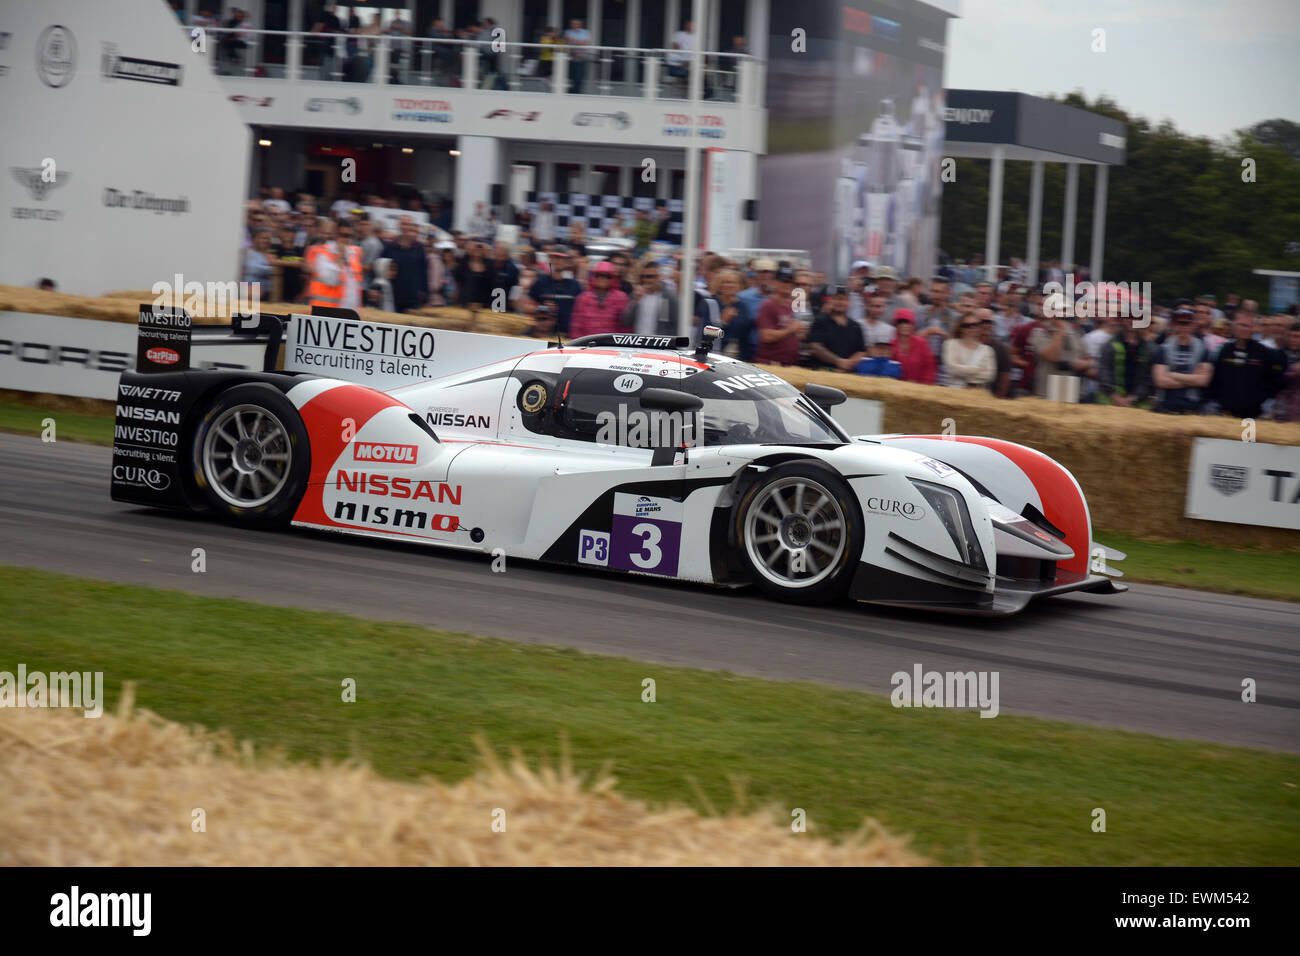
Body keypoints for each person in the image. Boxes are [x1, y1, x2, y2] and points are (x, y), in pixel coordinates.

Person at [1210, 309, 1287, 418]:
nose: (1245, 329)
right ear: (1233, 326)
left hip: (1252, 415)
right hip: (1225, 414)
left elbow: (1275, 381)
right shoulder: (1224, 350)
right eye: (1242, 325)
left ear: (1253, 328)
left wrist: (1260, 399)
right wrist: (1218, 400)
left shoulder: (1263, 352)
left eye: (1248, 326)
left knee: (1247, 436)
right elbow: (1215, 379)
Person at [1152, 307, 1213, 413]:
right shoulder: (1163, 348)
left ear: (1193, 325)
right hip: (1166, 405)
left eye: (1187, 323)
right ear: (1174, 324)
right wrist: (1192, 379)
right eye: (1180, 323)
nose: (1183, 327)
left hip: (1192, 407)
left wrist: (1172, 375)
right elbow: (1160, 381)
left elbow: (1204, 380)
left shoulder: (1202, 348)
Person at [1096, 315, 1155, 408]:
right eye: (1129, 317)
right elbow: (1104, 373)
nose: (1133, 321)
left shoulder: (1149, 348)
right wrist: (1116, 398)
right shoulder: (1109, 345)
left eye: (1138, 318)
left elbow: (1148, 379)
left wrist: (1132, 399)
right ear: (1122, 319)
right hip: (1110, 402)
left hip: (1137, 403)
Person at [1029, 313, 1090, 398]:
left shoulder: (1076, 330)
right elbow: (1051, 356)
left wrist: (1084, 364)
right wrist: (1060, 330)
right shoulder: (1041, 330)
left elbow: (1087, 358)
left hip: (1072, 387)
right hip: (1048, 388)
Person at [807, 286, 867, 372]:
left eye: (844, 299)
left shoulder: (855, 326)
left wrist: (849, 363)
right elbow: (815, 347)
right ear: (830, 300)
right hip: (822, 372)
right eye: (837, 299)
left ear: (849, 302)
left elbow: (861, 351)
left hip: (847, 375)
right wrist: (838, 361)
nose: (840, 302)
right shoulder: (820, 321)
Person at [755, 267, 805, 366]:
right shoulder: (768, 304)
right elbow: (766, 336)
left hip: (790, 364)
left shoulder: (793, 305)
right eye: (784, 281)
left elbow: (800, 335)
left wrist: (801, 332)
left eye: (791, 282)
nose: (787, 284)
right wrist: (790, 330)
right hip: (772, 363)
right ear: (775, 283)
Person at [528, 247, 583, 335]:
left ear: (567, 261)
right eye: (554, 257)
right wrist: (542, 308)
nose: (557, 261)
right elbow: (527, 306)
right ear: (550, 260)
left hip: (567, 334)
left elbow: (581, 312)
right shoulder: (541, 282)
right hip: (543, 334)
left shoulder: (575, 285)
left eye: (561, 258)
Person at [380, 216, 430, 313]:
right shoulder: (390, 246)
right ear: (398, 226)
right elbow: (380, 266)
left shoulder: (419, 247)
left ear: (412, 227)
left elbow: (423, 271)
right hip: (393, 294)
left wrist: (425, 293)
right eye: (403, 224)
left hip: (413, 296)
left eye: (408, 224)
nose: (405, 227)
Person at [569, 262, 630, 337]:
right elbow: (576, 326)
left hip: (611, 345)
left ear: (613, 278)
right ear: (594, 277)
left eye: (607, 276)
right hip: (586, 345)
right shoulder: (583, 298)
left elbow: (625, 327)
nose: (602, 279)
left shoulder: (621, 298)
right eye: (599, 275)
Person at [622, 263, 679, 337]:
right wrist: (636, 301)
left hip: (658, 344)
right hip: (637, 343)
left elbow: (673, 324)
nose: (646, 280)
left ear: (659, 277)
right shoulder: (636, 294)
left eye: (650, 276)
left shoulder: (667, 297)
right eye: (643, 276)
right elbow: (626, 321)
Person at [943, 313, 996, 388]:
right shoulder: (950, 344)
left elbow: (989, 376)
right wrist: (977, 369)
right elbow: (952, 369)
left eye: (975, 325)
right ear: (961, 328)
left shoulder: (987, 350)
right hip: (954, 393)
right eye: (967, 326)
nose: (972, 328)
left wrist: (962, 370)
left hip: (976, 395)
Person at [890, 308, 935, 384]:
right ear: (896, 325)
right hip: (897, 388)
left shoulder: (922, 343)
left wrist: (923, 386)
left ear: (913, 325)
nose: (904, 325)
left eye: (908, 323)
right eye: (901, 322)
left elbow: (929, 369)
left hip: (921, 388)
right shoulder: (891, 345)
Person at [242, 228, 275, 294]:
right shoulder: (247, 253)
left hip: (265, 293)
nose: (265, 240)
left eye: (267, 238)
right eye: (262, 238)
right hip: (247, 291)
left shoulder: (273, 256)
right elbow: (251, 268)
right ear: (255, 239)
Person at [564, 19, 592, 94]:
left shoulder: (585, 32)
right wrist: (578, 42)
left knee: (579, 76)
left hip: (582, 57)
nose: (575, 25)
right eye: (573, 24)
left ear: (580, 25)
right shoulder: (568, 32)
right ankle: (570, 93)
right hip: (571, 56)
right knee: (570, 76)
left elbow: (584, 43)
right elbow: (568, 43)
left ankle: (578, 93)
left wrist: (573, 40)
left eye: (577, 24)